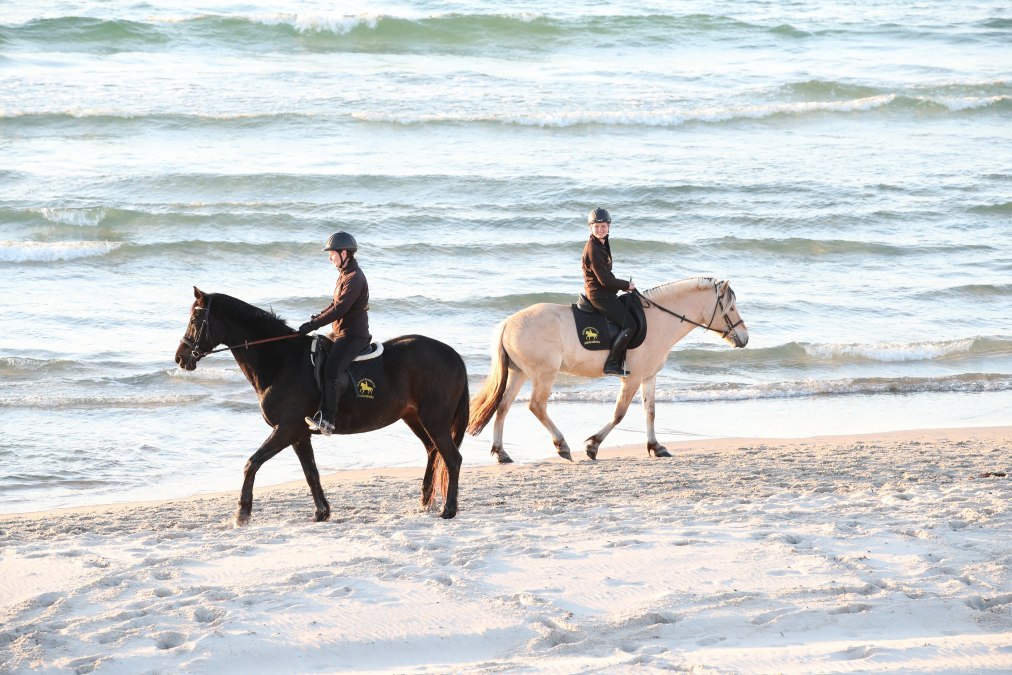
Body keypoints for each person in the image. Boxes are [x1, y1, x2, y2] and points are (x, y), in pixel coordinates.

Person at [299, 231, 370, 435]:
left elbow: (340, 310)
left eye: (332, 253)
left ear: (344, 252)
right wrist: (313, 320)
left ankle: (328, 420)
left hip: (353, 336)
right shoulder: (344, 275)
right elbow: (334, 304)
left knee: (331, 370)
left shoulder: (355, 278)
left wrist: (313, 326)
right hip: (339, 333)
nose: (329, 257)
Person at [582, 207, 636, 376]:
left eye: (603, 226)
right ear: (590, 227)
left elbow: (606, 274)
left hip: (604, 292)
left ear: (609, 226)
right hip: (599, 295)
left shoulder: (602, 243)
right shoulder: (594, 248)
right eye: (596, 226)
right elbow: (604, 280)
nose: (600, 230)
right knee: (630, 325)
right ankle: (611, 363)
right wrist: (626, 285)